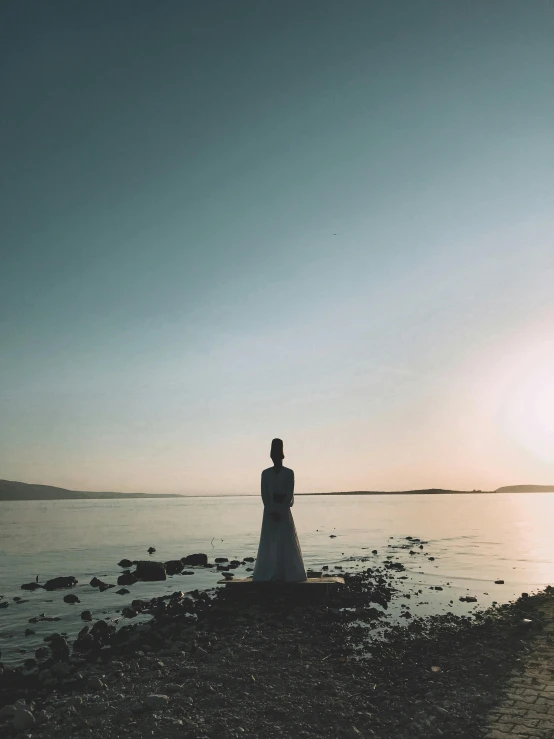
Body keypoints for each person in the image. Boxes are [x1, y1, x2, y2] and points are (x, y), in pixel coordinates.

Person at [252, 438, 307, 582]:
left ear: (282, 454)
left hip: (283, 511)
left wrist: (280, 510)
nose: (275, 456)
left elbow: (289, 494)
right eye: (273, 453)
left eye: (278, 453)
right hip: (270, 512)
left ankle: (287, 572)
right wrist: (271, 510)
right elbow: (264, 495)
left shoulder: (289, 473)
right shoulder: (266, 473)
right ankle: (269, 571)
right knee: (270, 541)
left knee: (285, 541)